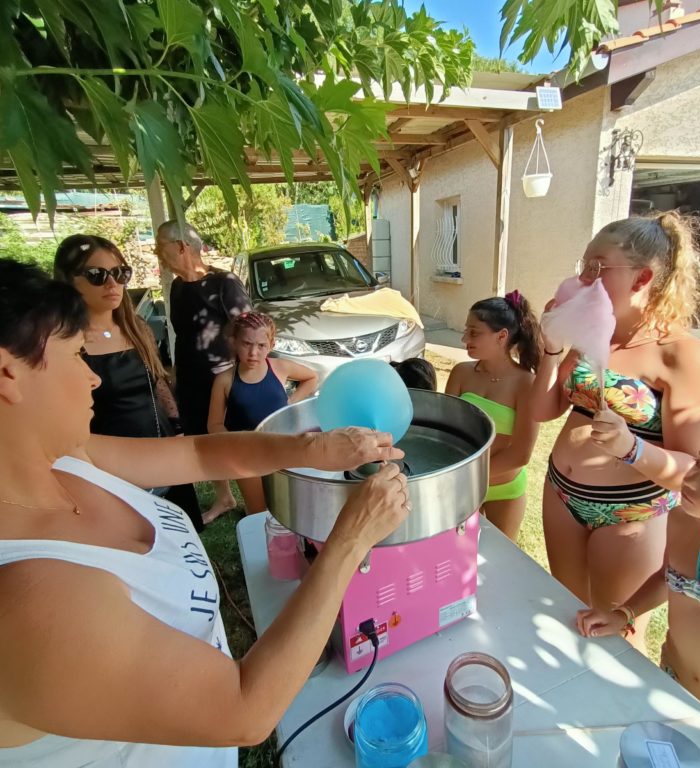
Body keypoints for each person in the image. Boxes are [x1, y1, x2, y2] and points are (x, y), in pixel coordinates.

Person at [0, 259, 409, 767]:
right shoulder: (28, 599)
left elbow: (200, 453)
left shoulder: (68, 459)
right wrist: (351, 540)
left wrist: (311, 451)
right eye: (74, 356)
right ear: (7, 373)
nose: (92, 380)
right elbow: (244, 709)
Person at [531, 211, 700, 650]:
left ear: (641, 279)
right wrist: (551, 349)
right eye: (583, 267)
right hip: (561, 496)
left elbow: (693, 471)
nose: (584, 278)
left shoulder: (682, 356)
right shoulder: (591, 330)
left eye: (598, 268)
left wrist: (632, 447)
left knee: (617, 637)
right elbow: (544, 411)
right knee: (568, 615)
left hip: (629, 515)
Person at [576, 427, 700, 746]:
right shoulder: (683, 520)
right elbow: (670, 576)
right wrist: (625, 613)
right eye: (699, 464)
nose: (691, 480)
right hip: (666, 690)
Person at [53, 234, 204, 531]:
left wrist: (178, 427)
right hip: (111, 466)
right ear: (69, 282)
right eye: (97, 275)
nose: (113, 284)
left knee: (180, 535)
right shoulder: (63, 343)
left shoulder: (136, 328)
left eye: (121, 273)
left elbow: (157, 382)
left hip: (161, 451)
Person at [154, 220, 252, 523]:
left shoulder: (224, 283)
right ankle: (224, 497)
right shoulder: (178, 287)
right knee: (202, 438)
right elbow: (183, 334)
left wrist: (244, 376)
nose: (157, 253)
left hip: (221, 378)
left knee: (237, 440)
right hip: (190, 379)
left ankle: (256, 497)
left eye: (161, 246)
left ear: (181, 247)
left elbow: (248, 330)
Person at [445, 291, 542, 541]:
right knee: (459, 556)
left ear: (501, 336)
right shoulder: (460, 373)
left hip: (504, 490)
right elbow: (447, 433)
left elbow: (522, 453)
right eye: (467, 330)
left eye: (474, 332)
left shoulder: (526, 383)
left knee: (499, 564)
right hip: (463, 487)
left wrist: (468, 475)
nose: (465, 337)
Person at [208, 311, 318, 514]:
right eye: (246, 344)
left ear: (272, 345)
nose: (253, 353)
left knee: (290, 507)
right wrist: (235, 444)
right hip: (247, 456)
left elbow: (312, 377)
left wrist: (291, 401)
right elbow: (213, 424)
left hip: (284, 448)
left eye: (261, 346)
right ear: (234, 343)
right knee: (258, 510)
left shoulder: (279, 368)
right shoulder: (224, 380)